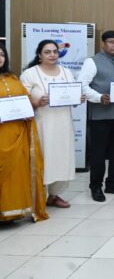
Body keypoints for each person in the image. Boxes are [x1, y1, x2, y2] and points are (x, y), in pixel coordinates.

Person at [20, 40, 85, 209]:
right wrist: (36, 103)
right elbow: (20, 102)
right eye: (47, 52)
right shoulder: (29, 74)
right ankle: (38, 196)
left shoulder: (66, 72)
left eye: (55, 51)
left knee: (62, 158)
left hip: (64, 124)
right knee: (43, 158)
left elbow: (72, 97)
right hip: (42, 124)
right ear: (39, 55)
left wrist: (78, 99)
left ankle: (54, 195)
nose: (52, 55)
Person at [80, 30, 114, 202]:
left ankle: (112, 184)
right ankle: (96, 187)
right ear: (103, 44)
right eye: (111, 42)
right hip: (100, 116)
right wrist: (98, 97)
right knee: (98, 154)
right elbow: (82, 85)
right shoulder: (92, 62)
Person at [0, 43, 48, 223]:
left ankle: (12, 212)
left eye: (1, 54)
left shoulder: (13, 78)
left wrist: (27, 110)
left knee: (16, 173)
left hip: (17, 134)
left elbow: (25, 101)